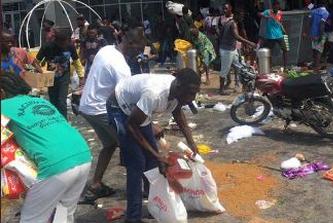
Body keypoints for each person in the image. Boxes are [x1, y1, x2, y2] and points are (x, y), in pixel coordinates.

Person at [106, 68, 200, 223]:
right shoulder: (154, 94)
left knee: (153, 163)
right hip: (120, 106)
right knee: (137, 162)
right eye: (190, 93)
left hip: (139, 110)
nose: (192, 98)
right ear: (179, 87)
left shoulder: (178, 93)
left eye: (195, 93)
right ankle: (133, 217)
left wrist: (191, 141)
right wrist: (156, 154)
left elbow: (178, 114)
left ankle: (155, 204)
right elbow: (131, 125)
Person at [0, 72, 92, 223]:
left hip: (55, 165)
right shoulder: (42, 102)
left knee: (32, 219)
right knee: (64, 215)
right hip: (83, 155)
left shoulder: (3, 106)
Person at [78, 26, 146, 203]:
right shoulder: (121, 68)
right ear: (130, 43)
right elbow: (125, 102)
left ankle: (96, 184)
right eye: (138, 49)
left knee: (109, 144)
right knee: (135, 146)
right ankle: (142, 189)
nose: (139, 53)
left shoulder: (106, 49)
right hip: (100, 109)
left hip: (86, 106)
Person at [36, 31, 84, 118]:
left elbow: (76, 61)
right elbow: (36, 61)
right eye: (61, 43)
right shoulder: (47, 47)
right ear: (55, 40)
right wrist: (39, 72)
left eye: (65, 42)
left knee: (61, 101)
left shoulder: (70, 47)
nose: (64, 45)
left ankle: (64, 121)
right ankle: (55, 120)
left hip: (64, 76)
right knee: (53, 101)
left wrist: (81, 76)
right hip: (50, 78)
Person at [218, 3, 256, 95]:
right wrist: (249, 42)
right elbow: (236, 36)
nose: (242, 18)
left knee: (241, 66)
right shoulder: (233, 24)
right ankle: (221, 90)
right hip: (227, 50)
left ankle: (244, 86)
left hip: (231, 49)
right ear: (237, 15)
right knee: (225, 70)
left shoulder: (228, 22)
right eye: (241, 16)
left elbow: (221, 35)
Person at [258, 0, 289, 70]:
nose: (276, 9)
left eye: (278, 7)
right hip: (270, 36)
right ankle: (270, 67)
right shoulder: (268, 12)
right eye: (275, 7)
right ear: (272, 7)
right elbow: (259, 14)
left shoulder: (280, 13)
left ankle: (285, 67)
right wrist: (264, 16)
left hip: (279, 35)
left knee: (285, 50)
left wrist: (283, 30)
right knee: (269, 52)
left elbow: (280, 22)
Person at [310, 0, 329, 73]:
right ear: (325, 4)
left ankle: (314, 67)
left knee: (314, 50)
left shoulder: (313, 11)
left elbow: (310, 22)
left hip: (313, 34)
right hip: (319, 34)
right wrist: (321, 35)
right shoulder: (325, 12)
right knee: (319, 52)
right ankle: (316, 69)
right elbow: (321, 24)